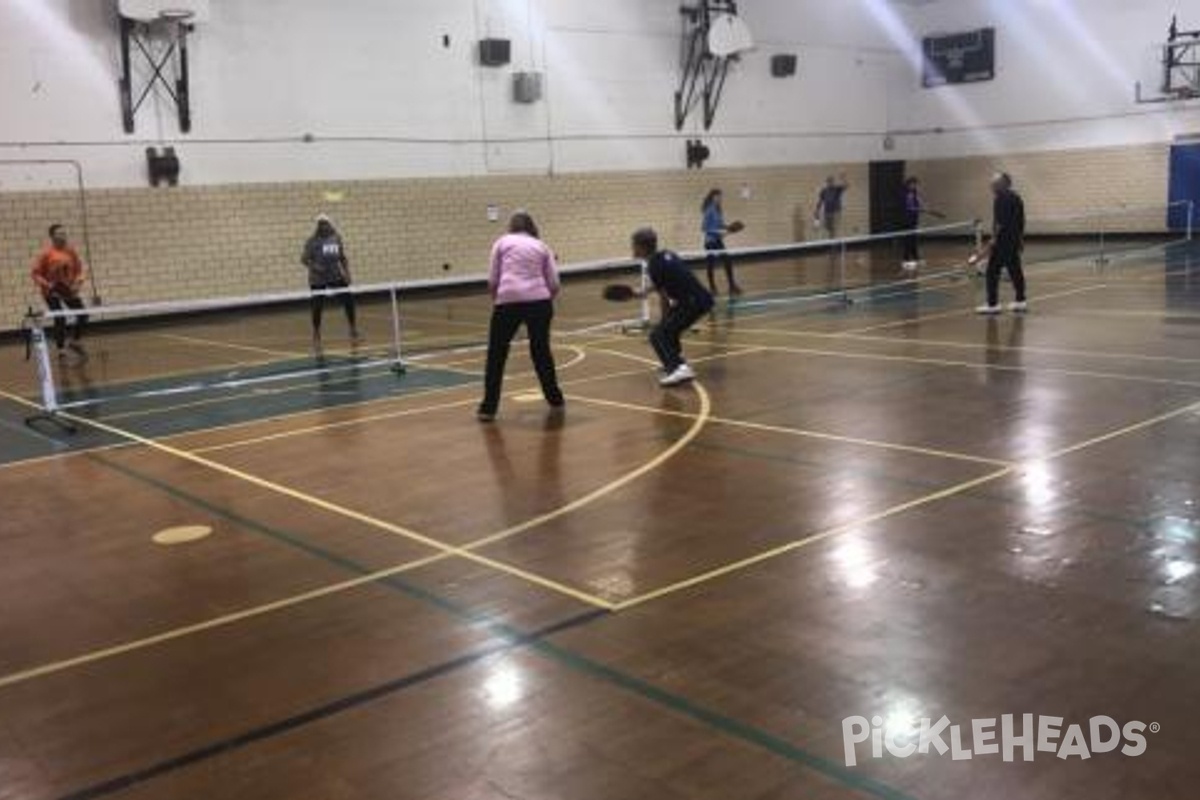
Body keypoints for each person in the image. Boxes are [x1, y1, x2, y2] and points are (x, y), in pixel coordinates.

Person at [478, 211, 565, 422]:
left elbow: (492, 278)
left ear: (511, 226)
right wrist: (545, 299)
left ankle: (488, 408)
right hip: (539, 302)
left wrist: (499, 299)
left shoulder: (501, 242)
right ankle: (555, 399)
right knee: (541, 350)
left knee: (496, 354)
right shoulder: (541, 245)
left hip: (507, 301)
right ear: (532, 227)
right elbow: (554, 282)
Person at [633, 227, 714, 387]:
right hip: (699, 299)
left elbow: (664, 297)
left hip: (693, 303)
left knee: (659, 334)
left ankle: (680, 368)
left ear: (642, 247)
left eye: (634, 245)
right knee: (668, 330)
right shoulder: (665, 255)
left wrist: (664, 321)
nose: (633, 248)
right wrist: (644, 291)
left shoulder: (654, 266)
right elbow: (667, 279)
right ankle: (675, 364)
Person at [301, 213, 360, 346]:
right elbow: (304, 259)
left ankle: (353, 328)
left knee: (348, 300)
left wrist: (347, 273)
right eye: (320, 224)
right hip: (318, 279)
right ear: (318, 226)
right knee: (317, 306)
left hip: (335, 276)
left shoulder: (336, 238)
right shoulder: (312, 241)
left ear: (330, 224)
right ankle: (316, 332)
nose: (323, 226)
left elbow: (342, 257)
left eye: (325, 223)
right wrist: (315, 267)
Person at [30, 224, 88, 358]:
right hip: (52, 292)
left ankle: (75, 341)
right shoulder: (46, 254)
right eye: (60, 234)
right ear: (52, 236)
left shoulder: (70, 252)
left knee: (83, 314)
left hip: (68, 290)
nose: (63, 236)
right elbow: (35, 274)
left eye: (64, 233)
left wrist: (78, 283)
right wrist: (48, 285)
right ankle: (61, 349)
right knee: (60, 317)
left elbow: (79, 270)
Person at [976, 172, 1028, 315]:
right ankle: (1021, 301)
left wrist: (993, 239)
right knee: (1015, 270)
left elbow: (1000, 223)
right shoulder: (1016, 197)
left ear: (1003, 183)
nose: (991, 185)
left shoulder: (1001, 198)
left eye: (994, 182)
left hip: (1003, 242)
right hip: (1013, 240)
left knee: (992, 271)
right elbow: (1021, 221)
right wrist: (1020, 239)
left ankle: (992, 304)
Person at [701, 188, 741, 296]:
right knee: (710, 265)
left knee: (727, 261)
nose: (720, 198)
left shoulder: (718, 210)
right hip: (710, 242)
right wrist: (716, 232)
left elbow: (720, 225)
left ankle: (732, 286)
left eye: (720, 196)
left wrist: (730, 228)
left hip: (718, 241)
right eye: (718, 196)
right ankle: (713, 288)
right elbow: (704, 228)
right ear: (713, 197)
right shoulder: (709, 210)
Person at [814, 174, 849, 239]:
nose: (830, 183)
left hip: (836, 212)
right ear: (827, 183)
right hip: (827, 213)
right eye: (828, 182)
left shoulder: (837, 189)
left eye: (831, 181)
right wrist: (817, 210)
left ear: (833, 182)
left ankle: (834, 246)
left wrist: (843, 178)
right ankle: (832, 241)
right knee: (828, 229)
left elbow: (846, 186)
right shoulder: (824, 191)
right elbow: (820, 201)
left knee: (834, 229)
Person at [901, 177, 924, 271]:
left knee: (913, 239)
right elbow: (909, 207)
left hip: (913, 220)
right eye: (914, 184)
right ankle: (906, 259)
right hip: (907, 220)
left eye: (916, 184)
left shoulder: (913, 193)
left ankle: (915, 258)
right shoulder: (906, 193)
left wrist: (920, 205)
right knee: (908, 240)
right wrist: (918, 209)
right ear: (910, 184)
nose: (916, 186)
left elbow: (917, 203)